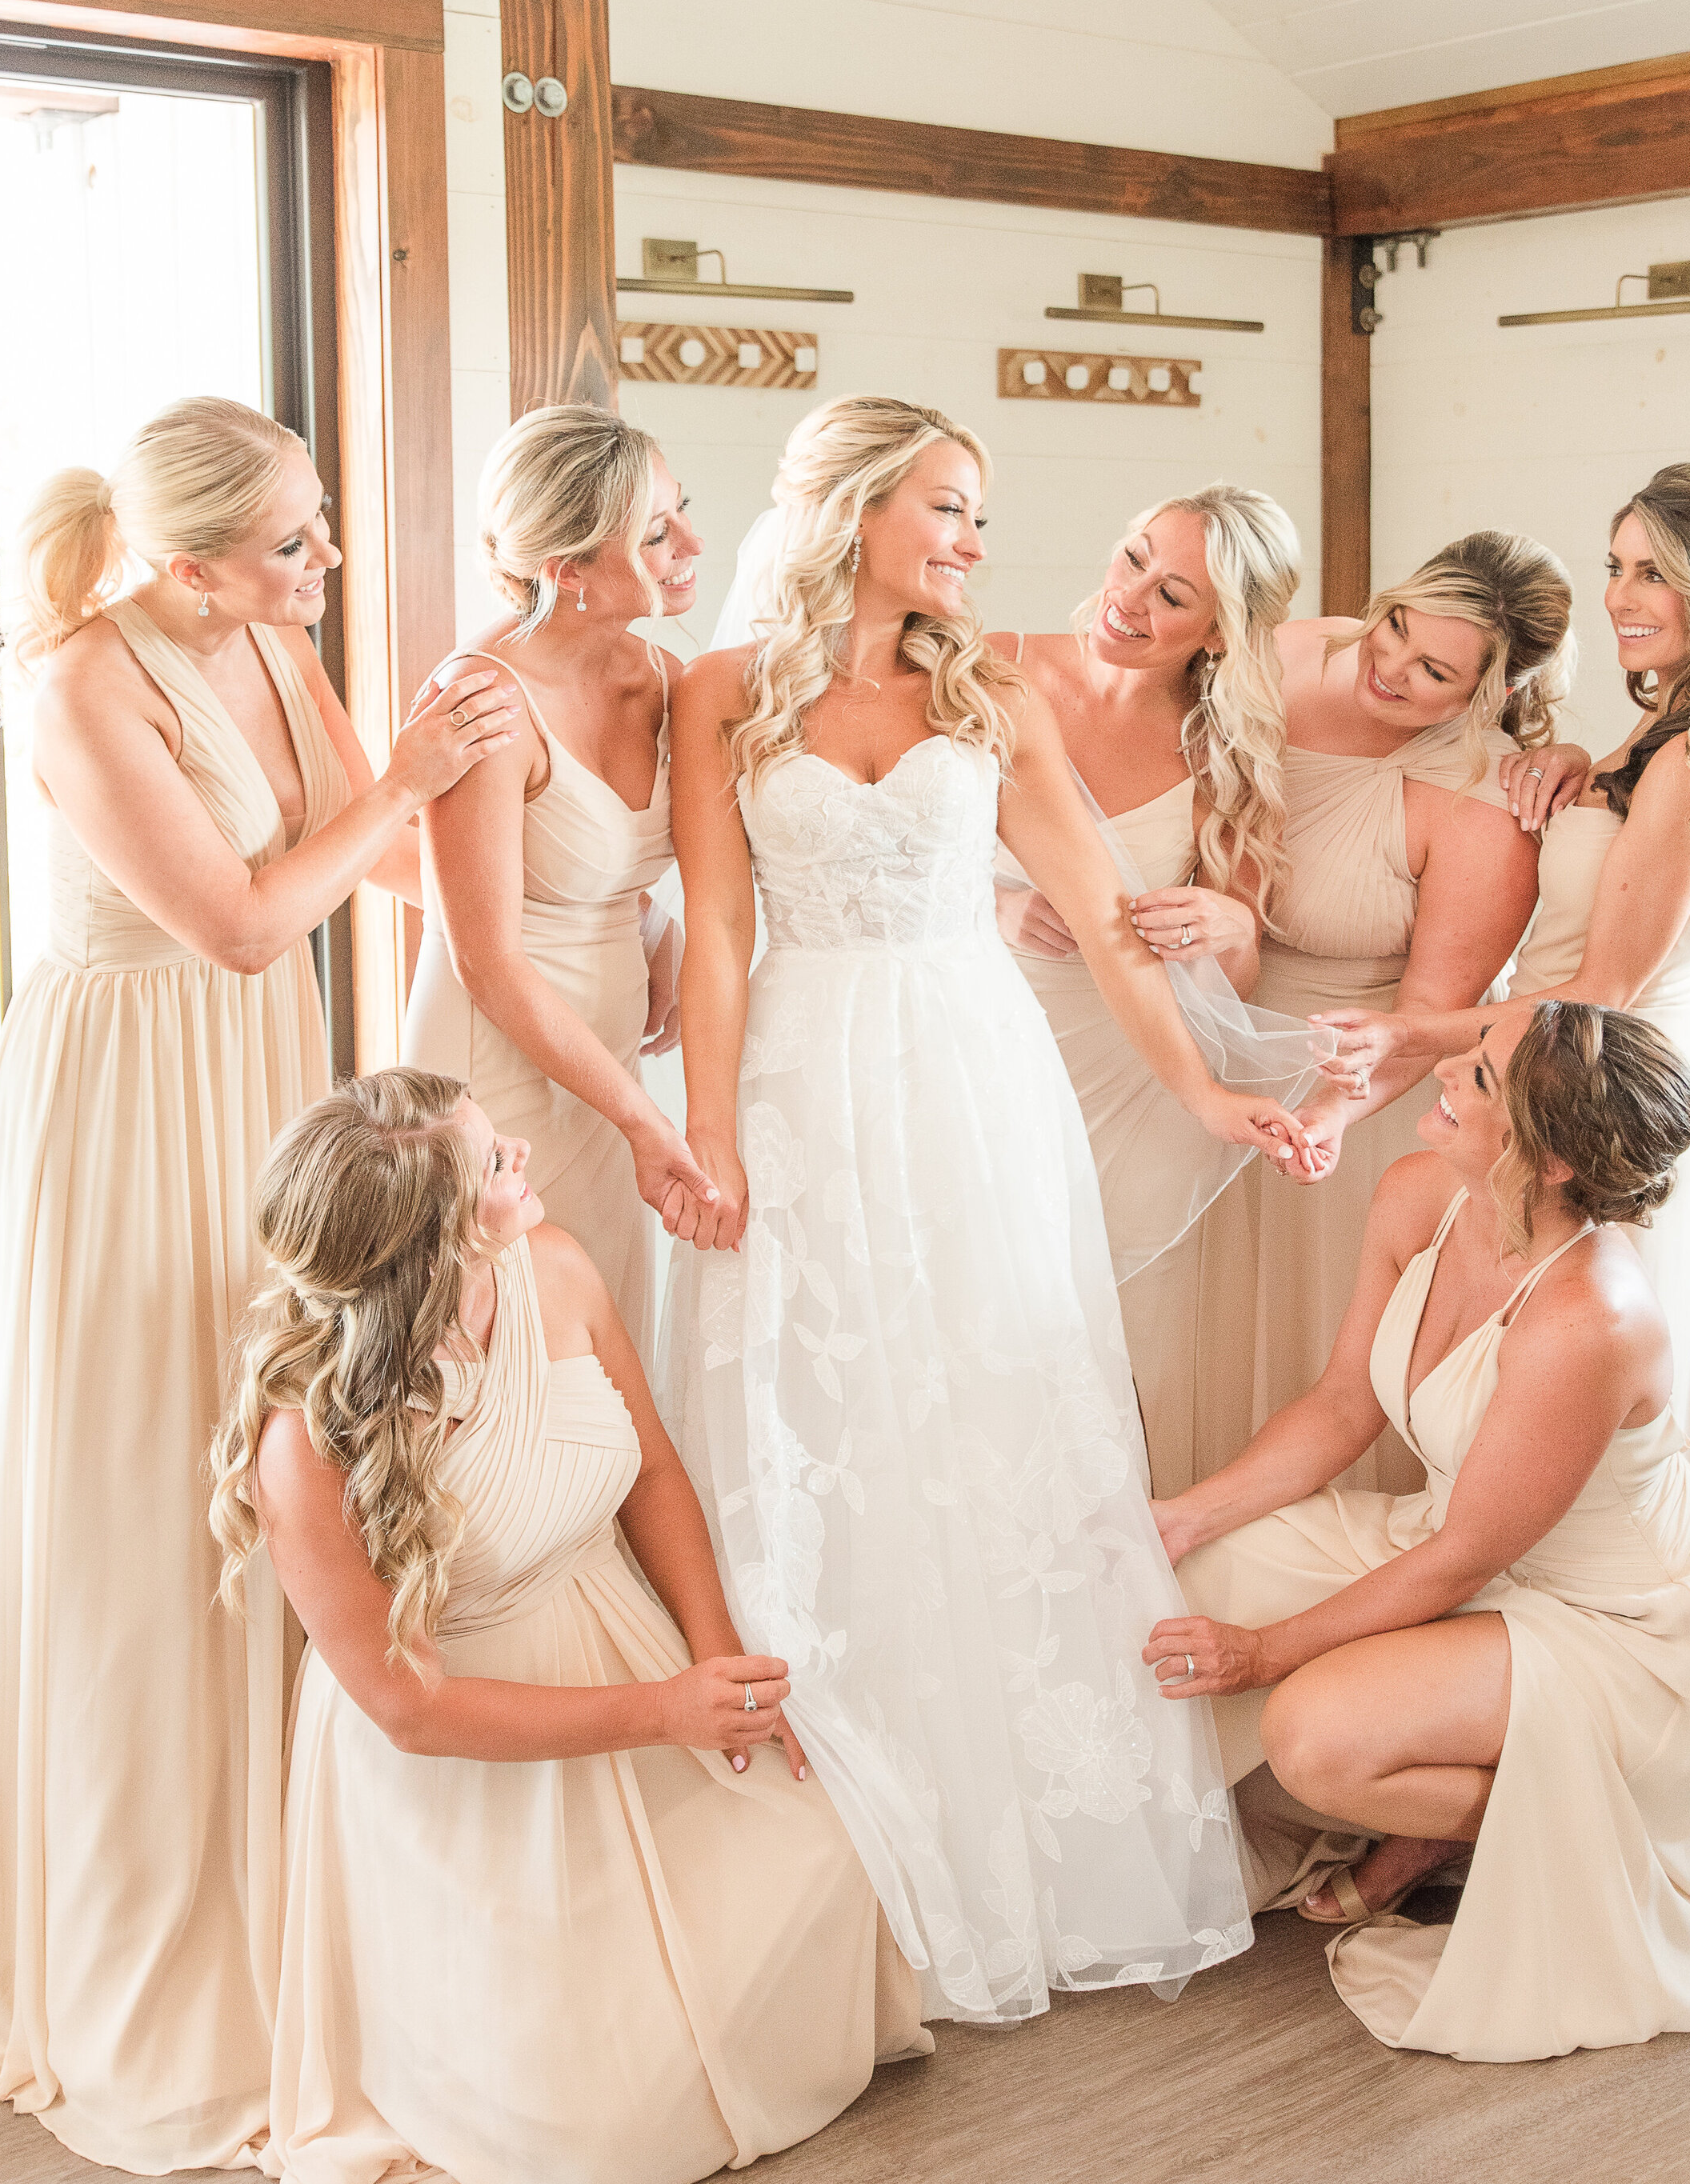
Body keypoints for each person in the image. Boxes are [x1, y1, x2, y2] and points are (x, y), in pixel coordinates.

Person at [659, 394, 1307, 2027]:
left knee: (997, 1425)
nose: (968, 540)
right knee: (823, 1419)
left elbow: (1099, 920)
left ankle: (1028, 1839)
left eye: (976, 515)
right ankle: (854, 1838)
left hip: (970, 1090)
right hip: (806, 1079)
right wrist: (714, 1133)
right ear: (856, 506)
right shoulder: (724, 692)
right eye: (944, 506)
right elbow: (721, 936)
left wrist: (1210, 1093)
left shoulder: (989, 688)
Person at [0, 397, 515, 2173]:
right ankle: (143, 1953)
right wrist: (409, 779)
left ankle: (309, 1910)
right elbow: (246, 918)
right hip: (127, 1094)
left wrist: (561, 887)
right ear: (183, 560)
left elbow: (383, 856)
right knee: (144, 1492)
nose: (326, 562)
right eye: (293, 541)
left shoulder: (274, 641)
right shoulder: (75, 681)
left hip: (270, 1078)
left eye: (323, 523)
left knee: (286, 1464)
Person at [210, 1070, 922, 2184]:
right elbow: (410, 1708)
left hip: (626, 1651)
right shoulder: (308, 1440)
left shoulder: (558, 1270)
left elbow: (651, 1472)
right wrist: (662, 1712)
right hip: (466, 1751)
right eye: (495, 1164)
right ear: (427, 1237)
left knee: (840, 1865)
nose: (524, 1159)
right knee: (597, 2132)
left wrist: (718, 1668)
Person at [1146, 1000, 1690, 2062]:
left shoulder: (1594, 1316)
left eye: (1480, 1078)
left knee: (1308, 1733)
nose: (1447, 1075)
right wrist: (1181, 1516)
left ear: (1548, 1163)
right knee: (1199, 1573)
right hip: (1464, 1537)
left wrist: (1261, 1654)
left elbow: (1464, 1560)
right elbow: (1345, 1408)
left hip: (1610, 1620)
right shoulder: (1417, 1197)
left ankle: (1510, 1820)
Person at [1316, 466, 1690, 1484]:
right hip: (1544, 1061)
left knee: (1558, 1401)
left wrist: (1408, 1032)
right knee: (1503, 1380)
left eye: (1653, 572)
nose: (1619, 596)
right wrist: (1572, 768)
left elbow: (1598, 994)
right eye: (1617, 566)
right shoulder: (1677, 734)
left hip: (1587, 1085)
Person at [1196, 531, 1572, 1486]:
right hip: (1198, 1049)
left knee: (1298, 1349)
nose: (1390, 664)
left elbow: (1436, 1016)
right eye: (1393, 625)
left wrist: (1326, 1113)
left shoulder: (1484, 807)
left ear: (1491, 694)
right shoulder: (1283, 657)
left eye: (1434, 668)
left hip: (1348, 1094)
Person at [995, 482, 1318, 1495]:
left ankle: (1127, 1554)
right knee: (994, 1306)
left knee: (1134, 1334)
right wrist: (990, 909)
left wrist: (1230, 927)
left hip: (1146, 1075)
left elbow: (1243, 971)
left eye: (1173, 594)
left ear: (1220, 634)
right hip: (992, 1046)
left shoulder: (1222, 747)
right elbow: (886, 851)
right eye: (1134, 556)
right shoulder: (993, 667)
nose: (1130, 595)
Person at [405, 406, 727, 1364]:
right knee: (506, 1338)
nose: (691, 546)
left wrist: (655, 928)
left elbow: (604, 861)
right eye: (656, 532)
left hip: (608, 1041)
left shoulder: (668, 678)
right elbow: (489, 961)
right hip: (497, 1051)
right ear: (568, 570)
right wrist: (642, 1116)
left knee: (604, 1337)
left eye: (681, 514)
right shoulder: (484, 699)